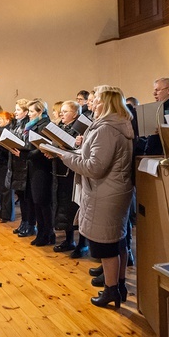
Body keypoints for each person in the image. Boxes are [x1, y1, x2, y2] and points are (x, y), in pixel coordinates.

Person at [56, 86, 134, 309]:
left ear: (105, 103)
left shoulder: (107, 129)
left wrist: (65, 156)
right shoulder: (117, 123)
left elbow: (94, 167)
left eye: (95, 100)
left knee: (106, 247)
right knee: (117, 242)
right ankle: (119, 287)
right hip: (113, 189)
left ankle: (111, 291)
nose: (91, 104)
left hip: (105, 192)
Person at [15, 99, 54, 246]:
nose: (29, 114)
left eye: (32, 111)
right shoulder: (31, 125)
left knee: (42, 201)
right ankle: (41, 231)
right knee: (36, 201)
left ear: (40, 112)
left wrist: (25, 154)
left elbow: (43, 147)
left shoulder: (45, 125)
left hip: (42, 167)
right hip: (33, 166)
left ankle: (47, 233)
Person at [50, 100, 84, 254]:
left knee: (75, 208)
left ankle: (82, 243)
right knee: (63, 207)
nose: (61, 114)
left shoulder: (80, 129)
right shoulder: (60, 127)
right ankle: (68, 239)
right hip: (60, 171)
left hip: (74, 173)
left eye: (65, 111)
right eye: (61, 111)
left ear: (75, 114)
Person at [9, 99, 32, 236]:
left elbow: (26, 144)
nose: (15, 112)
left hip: (24, 164)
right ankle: (23, 222)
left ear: (25, 112)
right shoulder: (17, 124)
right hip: (16, 163)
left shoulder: (27, 125)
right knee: (21, 196)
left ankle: (29, 224)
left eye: (18, 110)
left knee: (26, 198)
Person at [0, 111, 16, 222]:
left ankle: (7, 214)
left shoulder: (8, 131)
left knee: (6, 190)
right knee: (0, 188)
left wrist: (1, 144)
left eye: (1, 119)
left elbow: (10, 149)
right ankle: (1, 211)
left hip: (6, 163)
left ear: (7, 120)